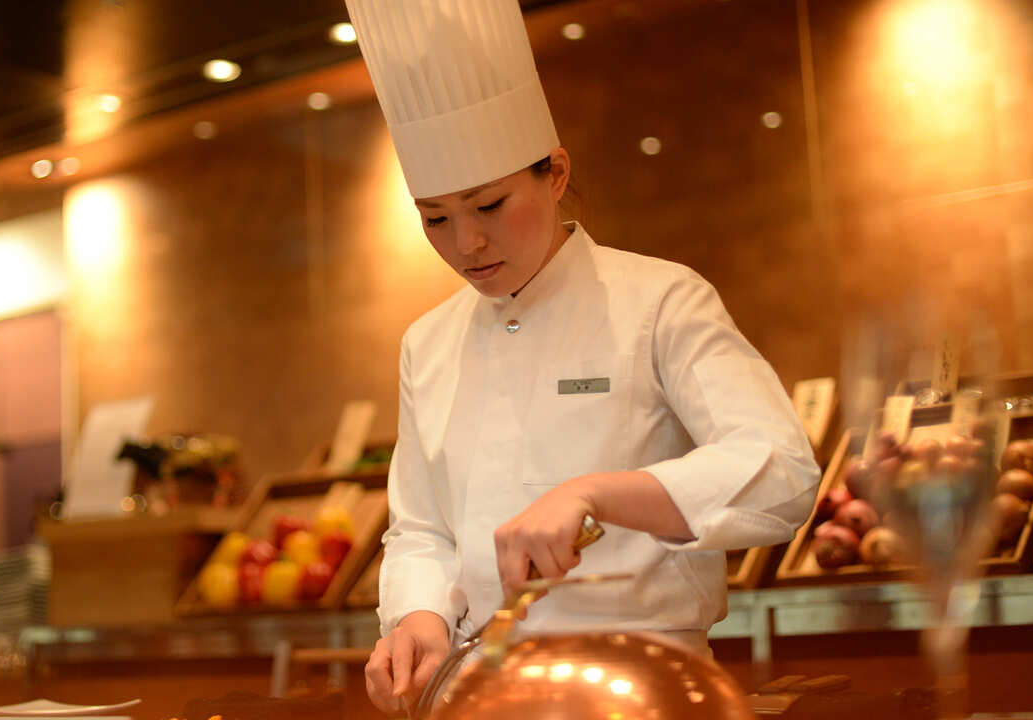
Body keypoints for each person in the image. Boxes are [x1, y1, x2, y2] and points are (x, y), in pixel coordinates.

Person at [343, 0, 821, 715]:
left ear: (556, 173)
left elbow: (782, 473)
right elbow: (421, 528)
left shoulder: (659, 299)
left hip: (648, 691)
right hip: (485, 693)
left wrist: (596, 492)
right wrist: (419, 617)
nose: (466, 242)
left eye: (490, 206)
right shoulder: (427, 342)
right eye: (435, 218)